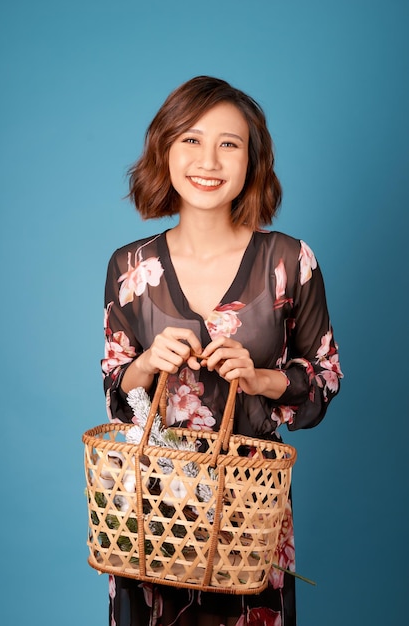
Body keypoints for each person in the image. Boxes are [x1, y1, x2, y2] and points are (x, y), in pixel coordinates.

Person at [102, 75, 342, 626]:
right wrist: (145, 364)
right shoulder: (129, 267)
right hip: (152, 512)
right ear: (164, 149)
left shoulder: (290, 261)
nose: (208, 160)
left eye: (228, 143)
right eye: (191, 139)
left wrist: (260, 379)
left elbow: (324, 379)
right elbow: (118, 394)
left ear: (251, 160)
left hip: (250, 514)